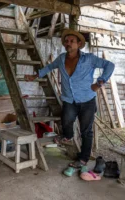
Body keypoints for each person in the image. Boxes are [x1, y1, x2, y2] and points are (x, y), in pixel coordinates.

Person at [24, 29, 115, 168]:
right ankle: (67, 136)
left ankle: (83, 159)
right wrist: (34, 76)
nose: (68, 43)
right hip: (69, 99)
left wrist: (99, 83)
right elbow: (49, 67)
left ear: (79, 44)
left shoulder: (89, 58)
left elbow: (110, 65)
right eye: (66, 41)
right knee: (66, 121)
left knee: (86, 131)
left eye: (72, 41)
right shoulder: (61, 58)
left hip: (87, 100)